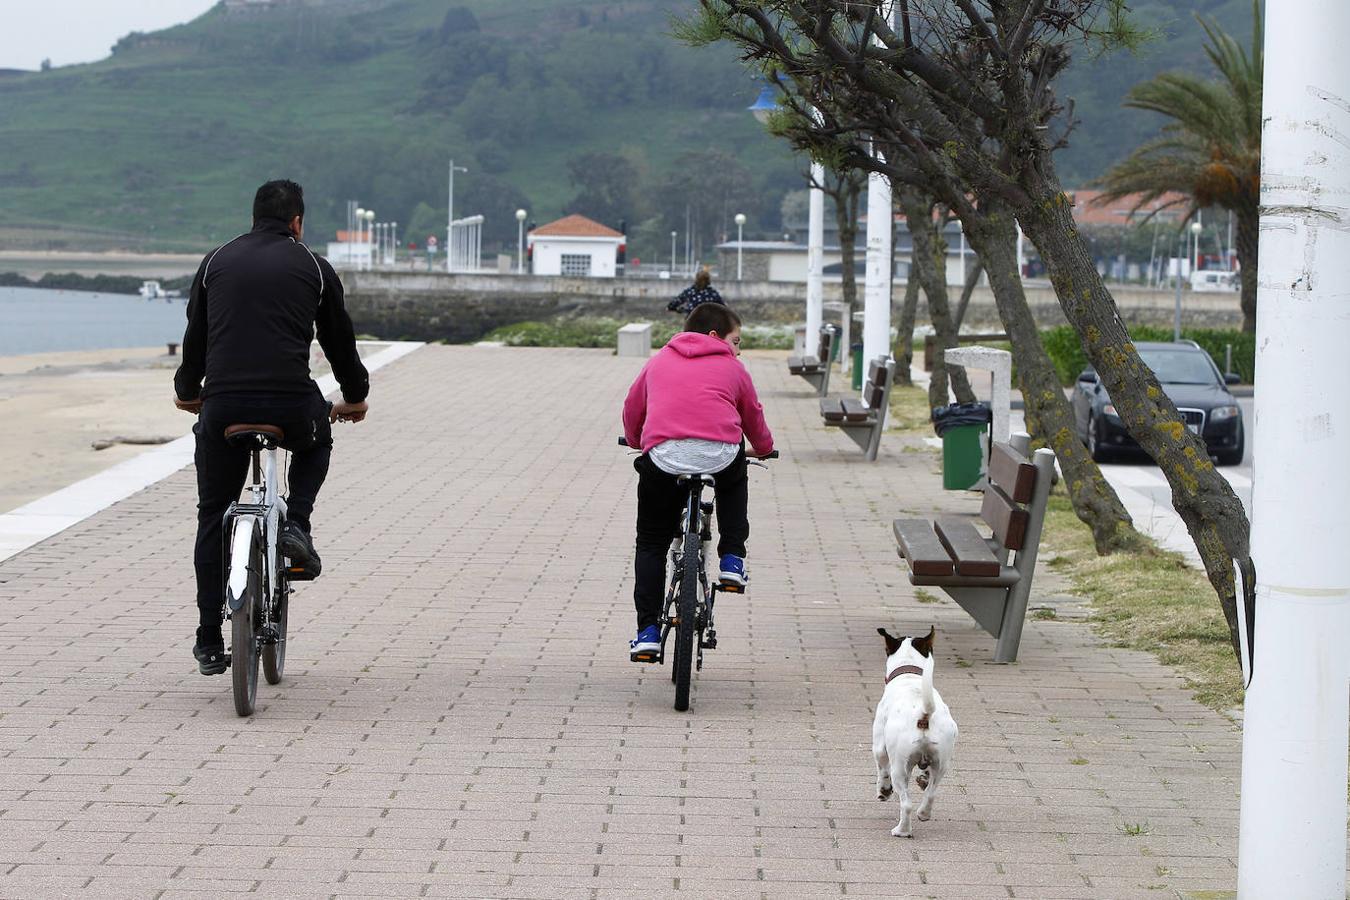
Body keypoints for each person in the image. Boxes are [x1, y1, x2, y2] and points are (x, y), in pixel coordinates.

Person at [173, 179, 370, 676]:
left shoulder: (216, 261)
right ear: (297, 222)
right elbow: (339, 339)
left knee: (212, 513)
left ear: (253, 216)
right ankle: (297, 524)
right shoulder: (313, 267)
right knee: (318, 440)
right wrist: (355, 395)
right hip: (290, 406)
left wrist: (187, 390)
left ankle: (207, 636)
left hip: (222, 409)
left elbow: (196, 332)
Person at [621, 303, 774, 660]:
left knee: (651, 543)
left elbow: (633, 407)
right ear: (715, 336)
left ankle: (647, 632)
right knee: (735, 477)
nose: (739, 349)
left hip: (665, 457)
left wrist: (634, 440)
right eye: (737, 340)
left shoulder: (658, 361)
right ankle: (733, 557)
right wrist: (763, 448)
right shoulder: (733, 368)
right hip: (719, 455)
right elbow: (752, 414)